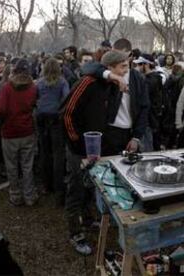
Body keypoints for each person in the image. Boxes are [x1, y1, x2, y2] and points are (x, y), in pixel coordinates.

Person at [62, 50, 130, 255]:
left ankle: (89, 219)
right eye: (123, 67)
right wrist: (77, 147)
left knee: (90, 186)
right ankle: (75, 233)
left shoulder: (111, 86)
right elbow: (66, 114)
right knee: (75, 189)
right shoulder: (88, 82)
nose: (126, 71)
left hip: (94, 148)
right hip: (77, 149)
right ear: (110, 68)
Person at [0, 59, 38, 206]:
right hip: (27, 131)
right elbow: (34, 106)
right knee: (27, 165)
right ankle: (30, 196)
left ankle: (15, 196)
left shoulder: (7, 87)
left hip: (9, 132)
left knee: (12, 166)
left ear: (15, 70)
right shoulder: (33, 87)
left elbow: (1, 110)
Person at [36, 58, 69, 206]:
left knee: (44, 152)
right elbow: (66, 99)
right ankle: (59, 189)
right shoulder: (62, 82)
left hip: (42, 118)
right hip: (56, 119)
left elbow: (35, 99)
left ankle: (45, 185)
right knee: (58, 154)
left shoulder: (39, 82)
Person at [133, 53, 164, 151]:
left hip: (148, 121)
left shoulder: (150, 81)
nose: (137, 67)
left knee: (146, 150)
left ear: (146, 65)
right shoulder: (153, 78)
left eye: (139, 64)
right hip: (150, 120)